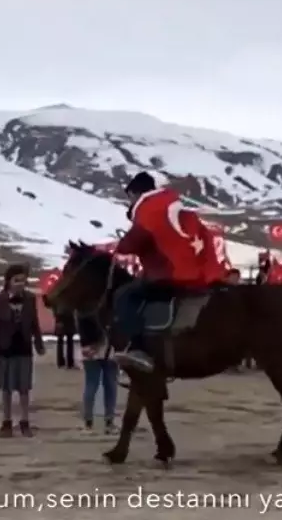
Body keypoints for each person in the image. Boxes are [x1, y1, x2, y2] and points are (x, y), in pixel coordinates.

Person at [111, 171, 224, 373]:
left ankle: (138, 349)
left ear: (138, 192)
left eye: (131, 196)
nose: (131, 201)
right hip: (194, 277)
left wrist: (122, 245)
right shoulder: (177, 210)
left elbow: (133, 242)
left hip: (168, 277)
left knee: (125, 295)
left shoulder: (151, 210)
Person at [0, 264, 45, 437]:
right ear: (8, 281)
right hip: (5, 348)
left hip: (24, 347)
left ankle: (24, 421)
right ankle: (6, 421)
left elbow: (34, 321)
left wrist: (38, 342)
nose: (20, 284)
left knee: (24, 387)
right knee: (6, 388)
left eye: (23, 280)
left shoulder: (30, 298)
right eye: (16, 280)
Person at [77, 310, 117, 434]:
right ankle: (108, 422)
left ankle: (89, 422)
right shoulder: (108, 301)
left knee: (92, 384)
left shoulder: (80, 305)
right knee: (109, 384)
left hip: (90, 346)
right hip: (107, 344)